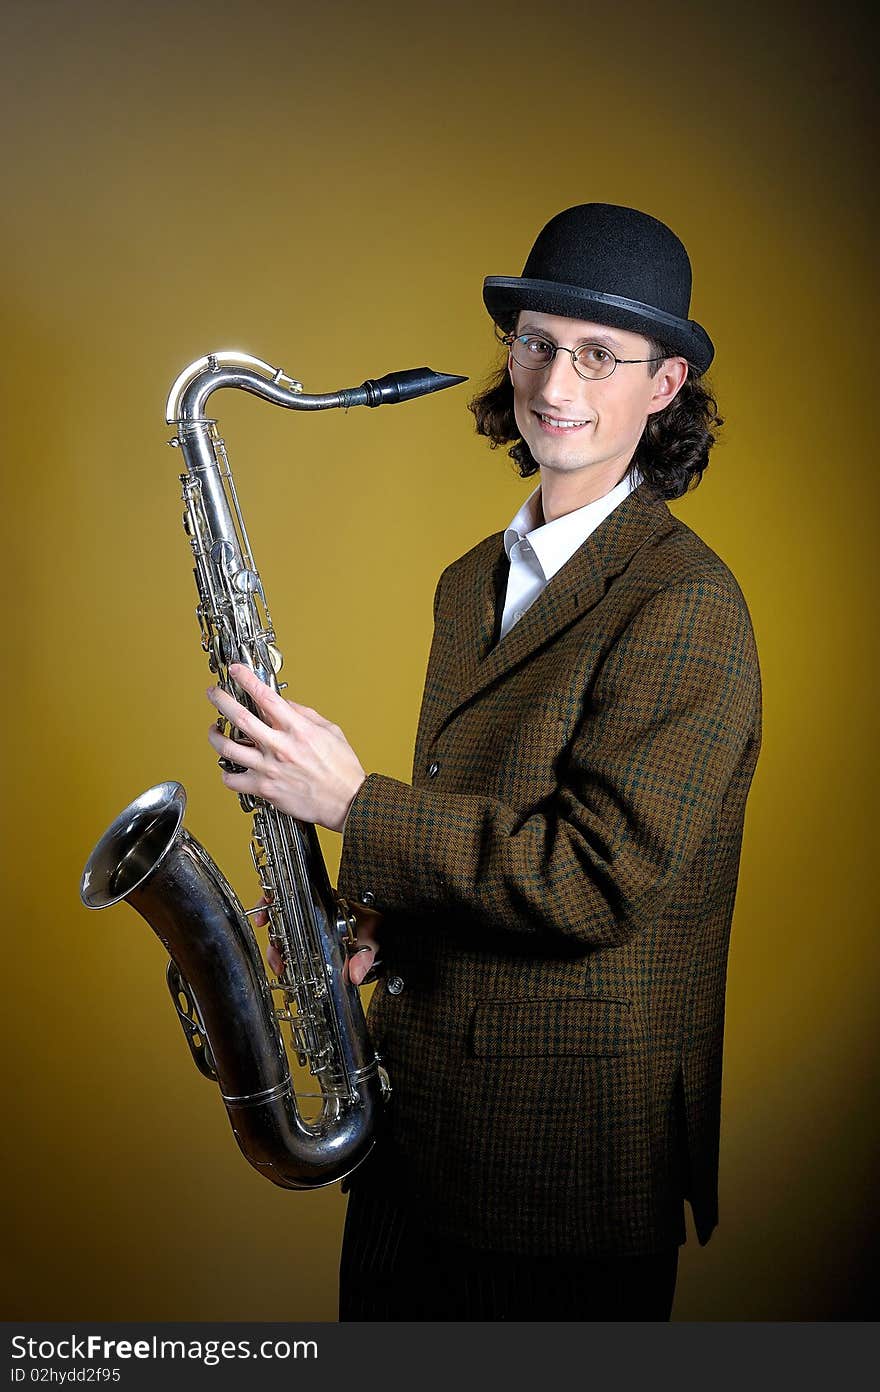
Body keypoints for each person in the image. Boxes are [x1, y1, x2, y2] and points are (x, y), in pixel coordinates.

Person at [205, 203, 763, 1321]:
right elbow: (490, 823)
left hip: (564, 1167)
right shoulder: (470, 580)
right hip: (418, 1130)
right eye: (536, 343)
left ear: (663, 389)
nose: (555, 384)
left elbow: (593, 877)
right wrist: (378, 924)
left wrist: (353, 803)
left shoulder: (687, 605)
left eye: (599, 356)